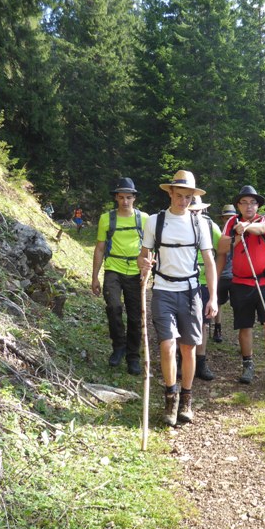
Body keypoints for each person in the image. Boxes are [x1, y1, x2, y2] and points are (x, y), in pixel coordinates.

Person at [138, 170, 218, 426]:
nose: (184, 201)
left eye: (188, 197)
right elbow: (143, 255)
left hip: (191, 292)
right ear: (170, 193)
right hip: (163, 290)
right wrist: (144, 264)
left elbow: (209, 262)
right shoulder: (155, 221)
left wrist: (213, 297)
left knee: (188, 347)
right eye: (179, 195)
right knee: (167, 345)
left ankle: (186, 399)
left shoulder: (200, 224)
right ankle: (170, 398)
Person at [216, 185, 265, 386]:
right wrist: (238, 236)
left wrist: (245, 227)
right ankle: (247, 365)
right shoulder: (231, 222)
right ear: (238, 205)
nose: (249, 206)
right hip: (240, 283)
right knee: (244, 325)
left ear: (258, 205)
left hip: (264, 282)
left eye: (253, 202)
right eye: (244, 202)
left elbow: (263, 229)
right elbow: (222, 247)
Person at [91, 177, 144, 374]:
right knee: (113, 307)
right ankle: (119, 346)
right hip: (113, 268)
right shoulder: (106, 219)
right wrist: (95, 277)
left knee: (135, 317)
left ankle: (133, 356)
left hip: (136, 272)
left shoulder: (144, 219)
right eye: (121, 197)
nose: (125, 201)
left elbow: (150, 247)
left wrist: (148, 267)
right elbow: (99, 248)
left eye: (128, 197)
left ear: (134, 198)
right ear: (116, 198)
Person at [187, 195, 221, 380]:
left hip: (203, 280)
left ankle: (200, 363)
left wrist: (215, 274)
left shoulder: (210, 226)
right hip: (182, 280)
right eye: (191, 210)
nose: (194, 213)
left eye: (197, 210)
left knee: (202, 323)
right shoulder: (175, 224)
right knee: (182, 321)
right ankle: (183, 360)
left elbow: (222, 250)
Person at [212, 204, 237, 343]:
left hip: (235, 275)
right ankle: (217, 328)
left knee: (238, 304)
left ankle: (242, 331)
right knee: (218, 303)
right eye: (226, 218)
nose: (229, 220)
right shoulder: (217, 234)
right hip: (220, 275)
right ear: (222, 219)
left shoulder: (241, 233)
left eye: (231, 218)